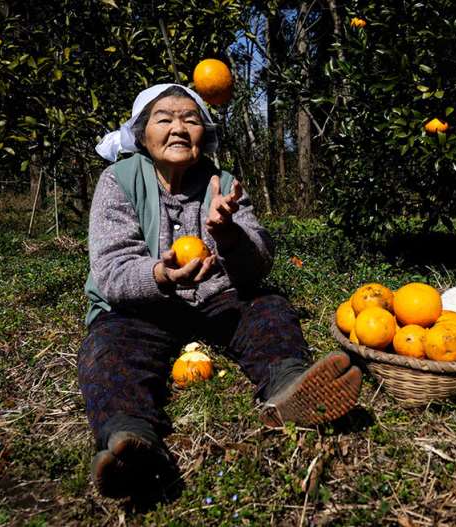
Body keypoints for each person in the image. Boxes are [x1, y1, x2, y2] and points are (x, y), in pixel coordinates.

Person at [79, 83, 362, 499]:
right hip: (141, 308)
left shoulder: (222, 183)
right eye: (165, 118)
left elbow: (258, 263)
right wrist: (160, 275)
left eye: (190, 119)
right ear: (141, 135)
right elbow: (113, 269)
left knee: (267, 308)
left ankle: (289, 385)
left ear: (204, 134)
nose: (178, 127)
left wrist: (228, 233)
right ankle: (130, 437)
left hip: (217, 301)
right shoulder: (118, 181)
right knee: (107, 347)